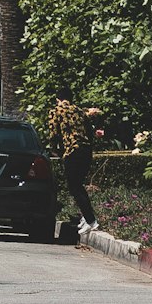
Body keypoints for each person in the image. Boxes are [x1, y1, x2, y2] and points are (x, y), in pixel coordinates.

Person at [48, 84, 98, 235]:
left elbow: (53, 133)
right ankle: (86, 217)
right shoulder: (79, 111)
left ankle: (91, 220)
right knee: (79, 185)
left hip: (72, 151)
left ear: (58, 99)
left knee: (74, 186)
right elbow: (90, 131)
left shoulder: (56, 111)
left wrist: (54, 149)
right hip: (86, 150)